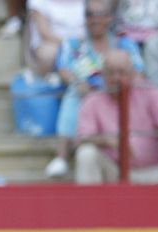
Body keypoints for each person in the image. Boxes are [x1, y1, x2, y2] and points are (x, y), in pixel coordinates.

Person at [44, 1, 144, 178]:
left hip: (119, 94)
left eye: (100, 15)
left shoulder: (124, 43)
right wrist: (77, 83)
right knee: (73, 93)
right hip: (87, 94)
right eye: (89, 15)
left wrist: (120, 86)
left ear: (110, 18)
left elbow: (137, 71)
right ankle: (62, 156)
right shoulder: (74, 44)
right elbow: (64, 69)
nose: (94, 20)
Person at [73, 48, 158, 181]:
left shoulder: (150, 92)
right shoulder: (92, 101)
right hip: (114, 171)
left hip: (152, 170)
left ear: (132, 73)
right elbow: (83, 138)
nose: (116, 78)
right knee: (86, 153)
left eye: (121, 72)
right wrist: (108, 141)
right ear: (102, 75)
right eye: (111, 72)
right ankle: (89, 201)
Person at [27, 0, 87, 74]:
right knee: (47, 55)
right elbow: (44, 32)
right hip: (52, 42)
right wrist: (69, 43)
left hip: (84, 40)